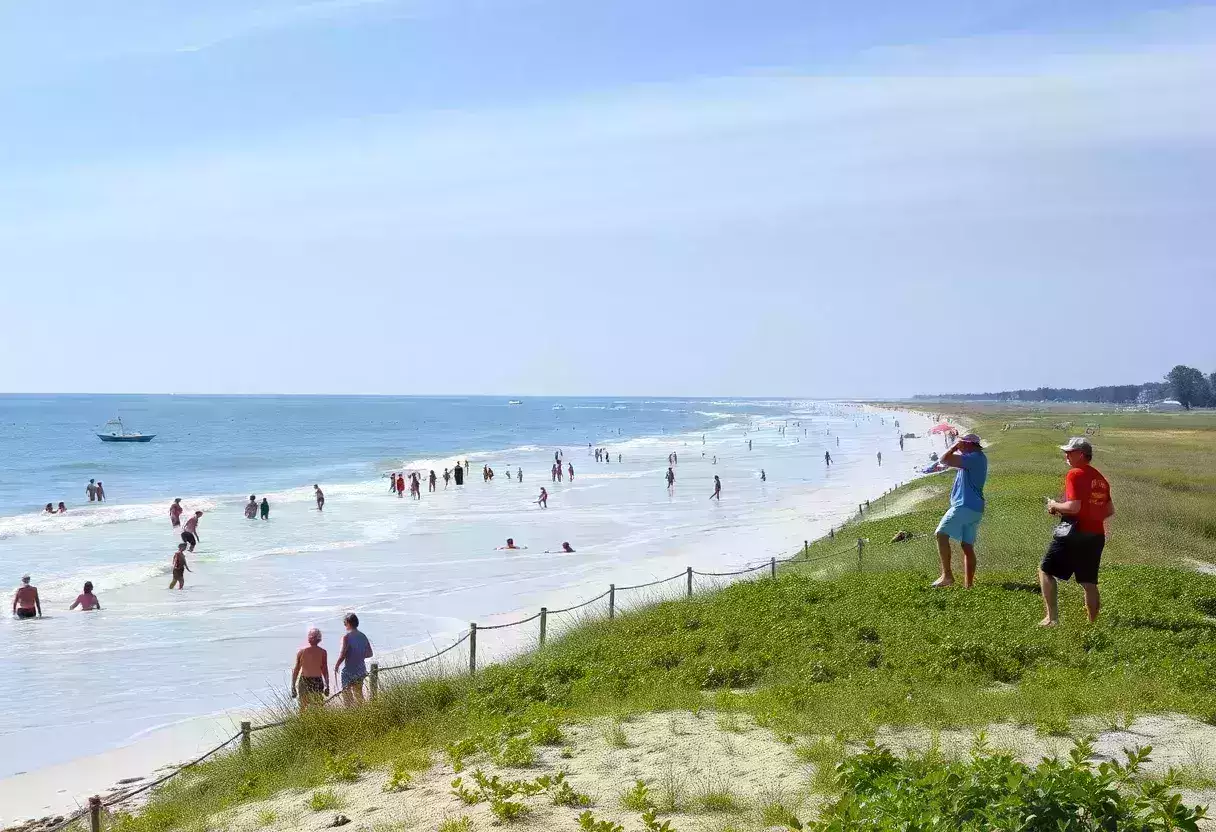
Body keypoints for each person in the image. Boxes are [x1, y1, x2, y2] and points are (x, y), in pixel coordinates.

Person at [1039, 438, 1114, 626]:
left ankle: (1052, 618)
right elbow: (1109, 510)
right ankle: (1092, 624)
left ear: (1081, 454)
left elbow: (1073, 507)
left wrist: (1054, 504)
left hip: (1074, 532)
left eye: (1069, 452)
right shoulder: (1101, 479)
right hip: (1096, 535)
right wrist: (1091, 517)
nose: (1066, 456)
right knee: (1089, 582)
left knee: (1045, 570)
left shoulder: (1075, 474)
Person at [932, 433, 988, 589]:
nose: (960, 446)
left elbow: (944, 460)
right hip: (975, 509)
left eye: (962, 444)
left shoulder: (973, 458)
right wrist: (959, 448)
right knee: (967, 546)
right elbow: (949, 462)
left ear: (968, 444)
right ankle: (968, 586)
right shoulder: (978, 458)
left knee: (941, 534)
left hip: (965, 506)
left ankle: (947, 576)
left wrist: (953, 447)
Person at [335, 613, 373, 705]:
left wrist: (336, 665)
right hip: (361, 669)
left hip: (349, 670)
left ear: (348, 623)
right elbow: (370, 653)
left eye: (345, 623)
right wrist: (358, 655)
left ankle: (350, 713)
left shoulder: (346, 637)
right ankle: (360, 712)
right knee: (358, 694)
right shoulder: (363, 636)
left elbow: (342, 654)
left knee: (347, 694)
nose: (344, 625)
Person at [291, 627, 329, 712]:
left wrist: (293, 685)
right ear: (319, 639)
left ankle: (303, 723)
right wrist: (327, 685)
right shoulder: (323, 652)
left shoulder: (302, 652)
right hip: (316, 681)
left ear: (309, 638)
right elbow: (324, 670)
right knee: (318, 707)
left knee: (303, 707)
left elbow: (296, 670)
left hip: (305, 680)